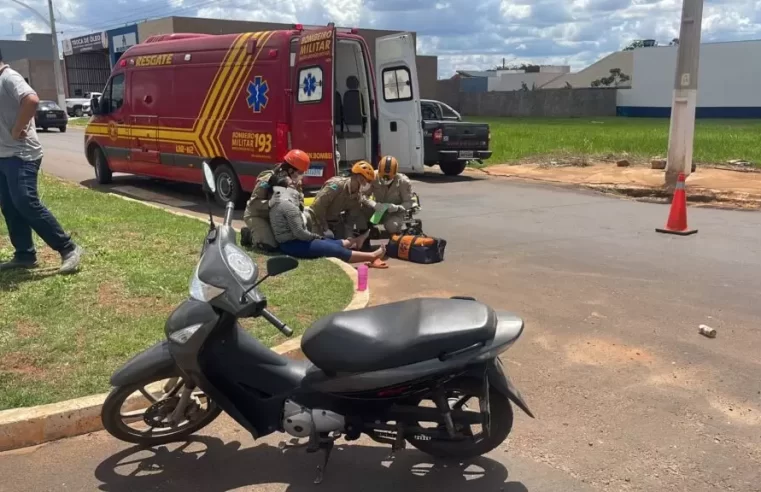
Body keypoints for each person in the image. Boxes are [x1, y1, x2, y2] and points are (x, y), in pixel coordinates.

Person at [0, 50, 82, 273]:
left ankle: (68, 248)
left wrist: (18, 128)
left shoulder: (8, 77)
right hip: (4, 156)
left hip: (22, 155)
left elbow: (31, 99)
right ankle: (24, 254)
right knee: (9, 206)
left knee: (25, 201)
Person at [268, 176, 385, 264]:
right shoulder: (287, 206)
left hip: (293, 242)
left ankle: (356, 240)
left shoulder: (279, 202)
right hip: (293, 244)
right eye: (291, 184)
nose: (294, 184)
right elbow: (299, 232)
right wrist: (316, 237)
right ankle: (372, 256)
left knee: (332, 241)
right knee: (335, 250)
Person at [241, 149, 310, 251]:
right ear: (290, 170)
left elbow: (300, 203)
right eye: (300, 172)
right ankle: (249, 235)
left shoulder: (296, 182)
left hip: (279, 216)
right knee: (270, 245)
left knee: (306, 220)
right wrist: (270, 203)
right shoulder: (267, 180)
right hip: (258, 215)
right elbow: (253, 204)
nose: (301, 175)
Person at [307, 161, 376, 241]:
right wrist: (325, 228)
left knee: (344, 245)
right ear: (356, 177)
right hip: (317, 219)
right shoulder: (336, 186)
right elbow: (317, 206)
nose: (364, 184)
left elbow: (350, 220)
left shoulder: (357, 198)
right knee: (319, 246)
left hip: (334, 221)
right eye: (363, 180)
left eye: (367, 182)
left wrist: (349, 238)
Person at [368, 155, 414, 235]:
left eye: (388, 177)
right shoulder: (372, 176)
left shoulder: (403, 182)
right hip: (377, 210)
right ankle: (368, 230)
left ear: (395, 173)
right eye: (382, 176)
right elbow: (363, 196)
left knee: (392, 226)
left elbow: (409, 202)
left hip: (394, 213)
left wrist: (397, 208)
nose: (385, 179)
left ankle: (395, 236)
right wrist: (373, 204)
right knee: (359, 217)